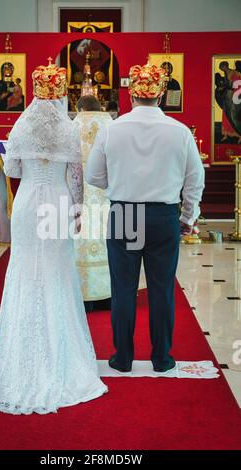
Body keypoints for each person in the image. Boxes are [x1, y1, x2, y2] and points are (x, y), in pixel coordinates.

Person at [0, 59, 107, 415]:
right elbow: (76, 177)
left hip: (30, 204)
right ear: (60, 93)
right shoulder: (67, 128)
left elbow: (13, 168)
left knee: (25, 271)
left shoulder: (22, 124)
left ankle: (18, 359)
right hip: (60, 204)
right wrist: (78, 212)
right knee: (57, 272)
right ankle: (60, 356)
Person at [86, 62, 205, 373]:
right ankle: (162, 359)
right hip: (164, 215)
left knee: (123, 288)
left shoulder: (112, 129)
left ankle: (122, 358)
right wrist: (188, 215)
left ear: (130, 95)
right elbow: (196, 178)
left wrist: (120, 183)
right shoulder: (179, 131)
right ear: (162, 94)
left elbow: (93, 176)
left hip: (125, 212)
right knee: (162, 288)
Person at [73, 95, 112, 311]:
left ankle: (83, 295)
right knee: (107, 243)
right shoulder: (112, 125)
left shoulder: (72, 126)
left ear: (78, 108)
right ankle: (107, 295)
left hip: (80, 196)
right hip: (106, 195)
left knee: (80, 241)